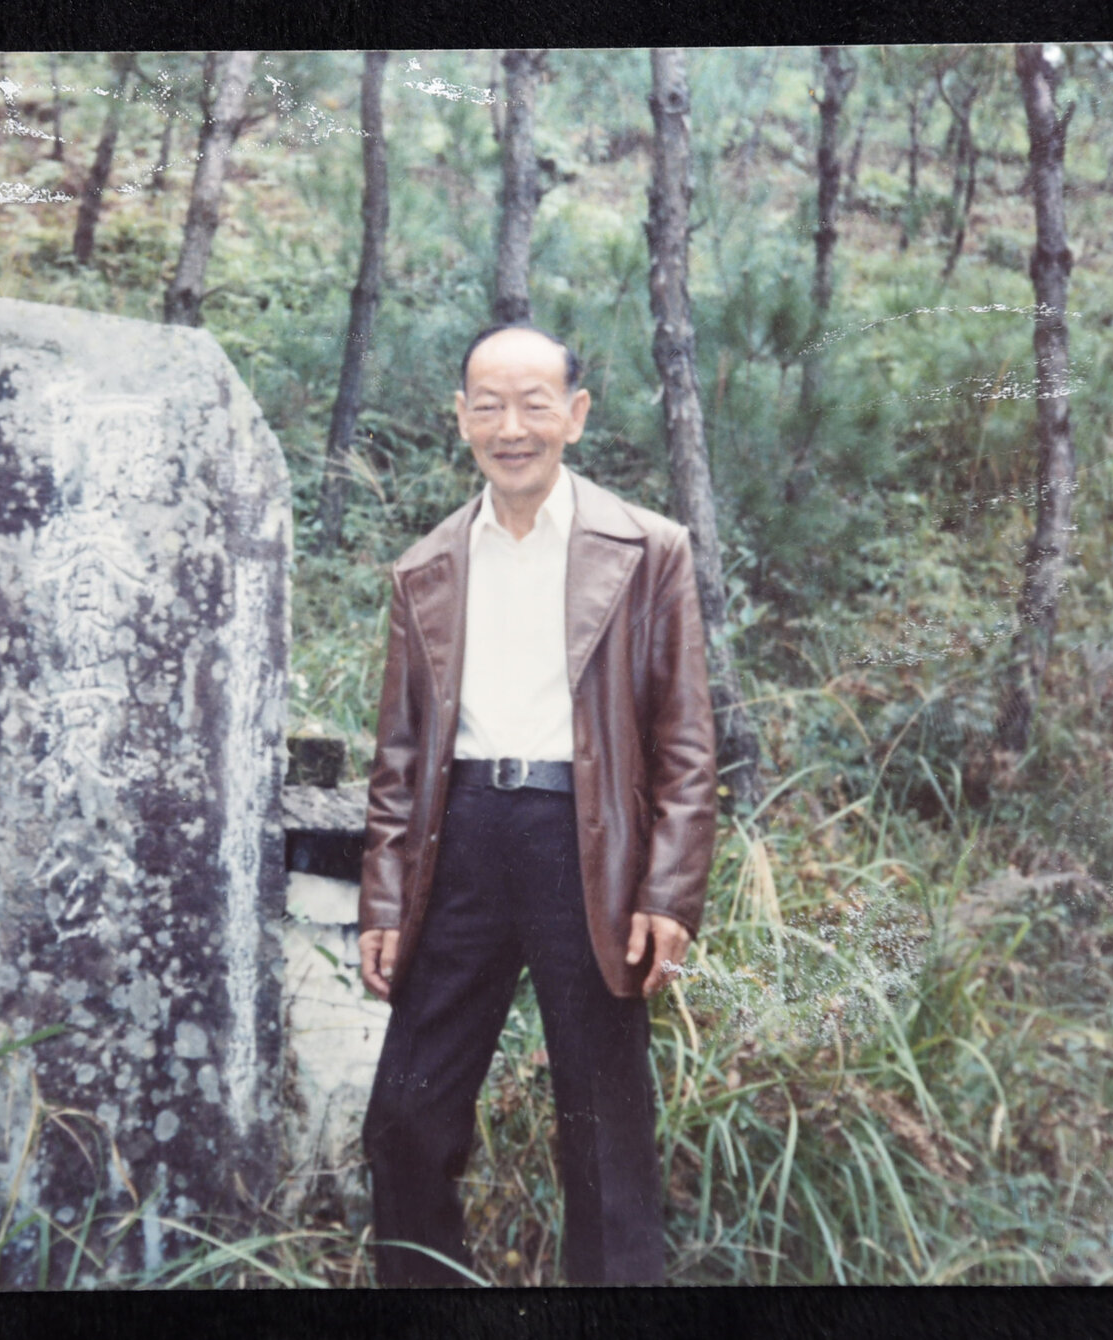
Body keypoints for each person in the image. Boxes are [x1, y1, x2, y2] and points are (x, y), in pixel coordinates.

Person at [357, 324, 717, 1286]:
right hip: (460, 844)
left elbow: (685, 742)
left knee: (604, 1133)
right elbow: (398, 757)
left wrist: (669, 893)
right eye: (487, 404)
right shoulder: (425, 567)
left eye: (533, 404)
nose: (510, 427)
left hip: (586, 848)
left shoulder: (647, 551)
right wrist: (385, 903)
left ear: (575, 415)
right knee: (405, 1118)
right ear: (460, 416)